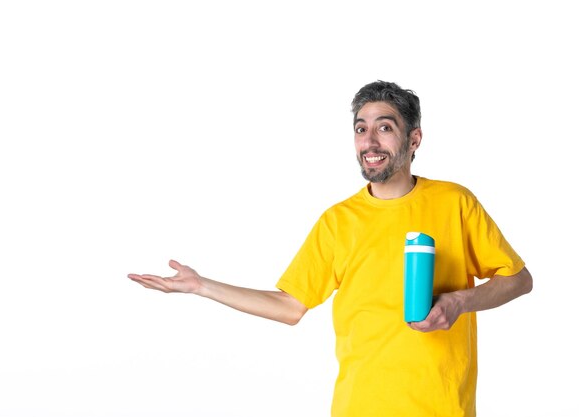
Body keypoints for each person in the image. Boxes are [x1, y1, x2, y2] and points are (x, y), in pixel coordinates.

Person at [128, 80, 533, 417]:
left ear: (414, 139)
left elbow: (518, 279)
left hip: (443, 407)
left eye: (385, 128)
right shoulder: (339, 221)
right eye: (360, 129)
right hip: (359, 407)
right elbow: (290, 306)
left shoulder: (454, 202)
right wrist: (202, 286)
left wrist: (460, 301)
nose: (369, 141)